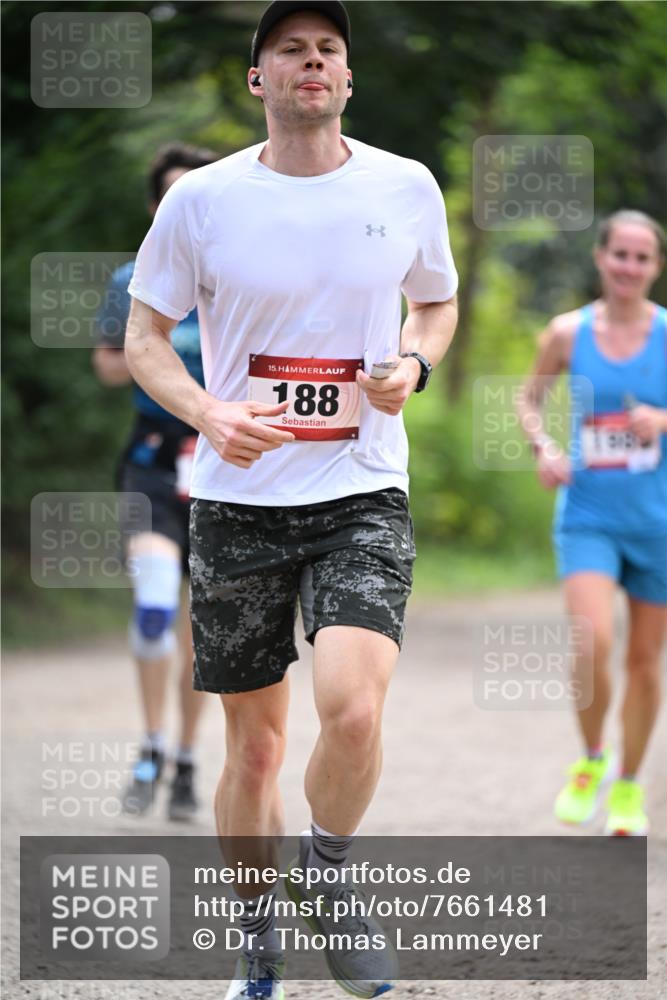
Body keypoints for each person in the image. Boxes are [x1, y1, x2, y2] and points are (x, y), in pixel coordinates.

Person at [124, 2, 458, 996]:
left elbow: (434, 300)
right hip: (236, 500)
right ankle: (257, 944)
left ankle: (325, 873)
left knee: (352, 709)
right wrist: (206, 412)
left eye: (327, 50)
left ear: (347, 79)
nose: (311, 62)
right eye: (289, 50)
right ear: (256, 80)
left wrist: (413, 359)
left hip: (361, 486)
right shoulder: (202, 201)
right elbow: (144, 335)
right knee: (256, 745)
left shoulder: (404, 185)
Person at [519, 209, 667, 837]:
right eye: (620, 255)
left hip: (658, 521)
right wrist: (543, 447)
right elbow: (529, 398)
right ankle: (591, 760)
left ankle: (630, 785)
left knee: (643, 662)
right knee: (592, 641)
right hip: (588, 513)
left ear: (655, 267)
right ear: (601, 258)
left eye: (643, 257)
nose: (630, 267)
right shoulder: (566, 332)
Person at [93, 142, 219, 822]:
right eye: (170, 196)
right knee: (151, 605)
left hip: (224, 465)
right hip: (152, 457)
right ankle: (149, 747)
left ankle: (189, 761)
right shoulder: (130, 281)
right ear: (154, 207)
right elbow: (108, 367)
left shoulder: (239, 278)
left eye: (192, 196)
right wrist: (149, 352)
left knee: (203, 626)